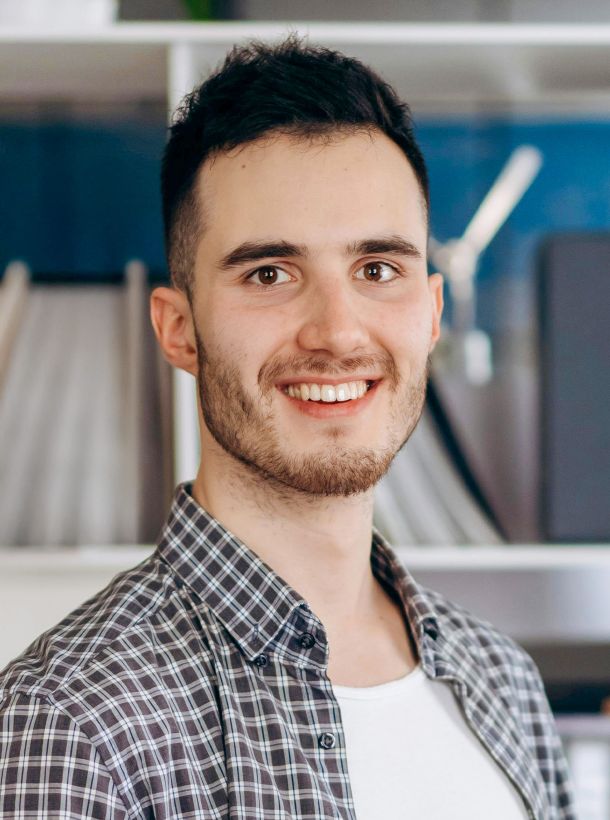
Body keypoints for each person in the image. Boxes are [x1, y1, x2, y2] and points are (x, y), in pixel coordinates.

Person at [0, 37, 574, 820]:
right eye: (270, 273)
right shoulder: (71, 723)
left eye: (378, 270)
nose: (337, 333)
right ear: (178, 330)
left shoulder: (503, 680)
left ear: (433, 312)